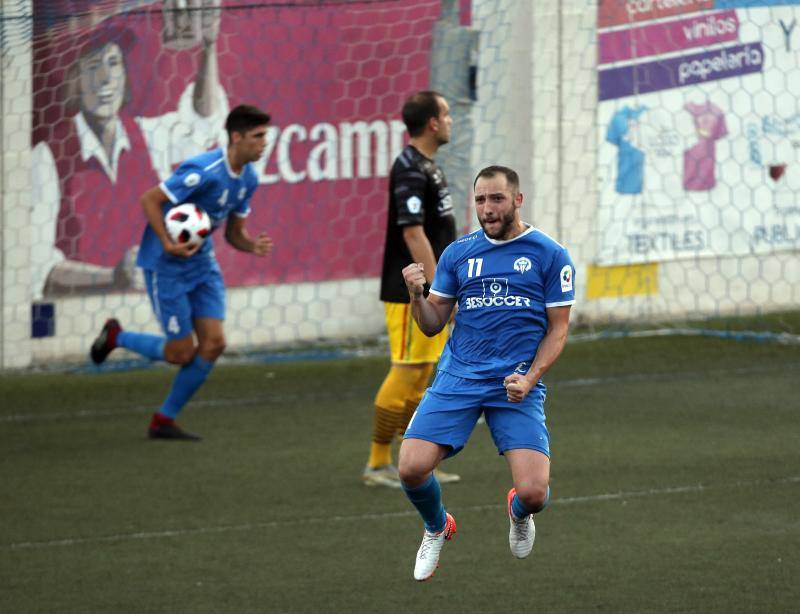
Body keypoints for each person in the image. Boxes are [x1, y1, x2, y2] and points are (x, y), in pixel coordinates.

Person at [397, 165, 575, 581]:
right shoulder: (459, 254)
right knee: (410, 467)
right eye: (480, 200)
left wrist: (530, 378)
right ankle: (437, 525)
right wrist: (415, 294)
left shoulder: (550, 255)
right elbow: (431, 323)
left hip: (516, 382)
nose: (487, 208)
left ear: (517, 199)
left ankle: (517, 513)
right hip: (459, 376)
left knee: (534, 494)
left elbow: (559, 328)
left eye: (496, 199)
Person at [89, 104, 273, 440]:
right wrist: (167, 242)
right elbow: (149, 200)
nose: (264, 143)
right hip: (166, 265)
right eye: (258, 136)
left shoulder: (249, 179)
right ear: (236, 137)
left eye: (266, 136)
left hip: (202, 264)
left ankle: (163, 420)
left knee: (214, 344)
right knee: (180, 353)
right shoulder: (203, 170)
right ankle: (117, 336)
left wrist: (252, 246)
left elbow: (233, 234)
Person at [31, 5, 228, 299]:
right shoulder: (48, 156)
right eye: (92, 66)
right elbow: (37, 270)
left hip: (148, 307)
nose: (105, 79)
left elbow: (203, 127)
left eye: (113, 63)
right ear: (74, 80)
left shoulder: (148, 136)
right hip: (78, 318)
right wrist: (113, 278)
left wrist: (209, 49)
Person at [362, 91, 461, 488]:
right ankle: (376, 463)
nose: (451, 120)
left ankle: (412, 462)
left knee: (421, 374)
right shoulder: (409, 168)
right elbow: (412, 231)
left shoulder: (426, 166)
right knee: (406, 371)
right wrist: (440, 287)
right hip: (410, 289)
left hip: (426, 287)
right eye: (447, 114)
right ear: (433, 123)